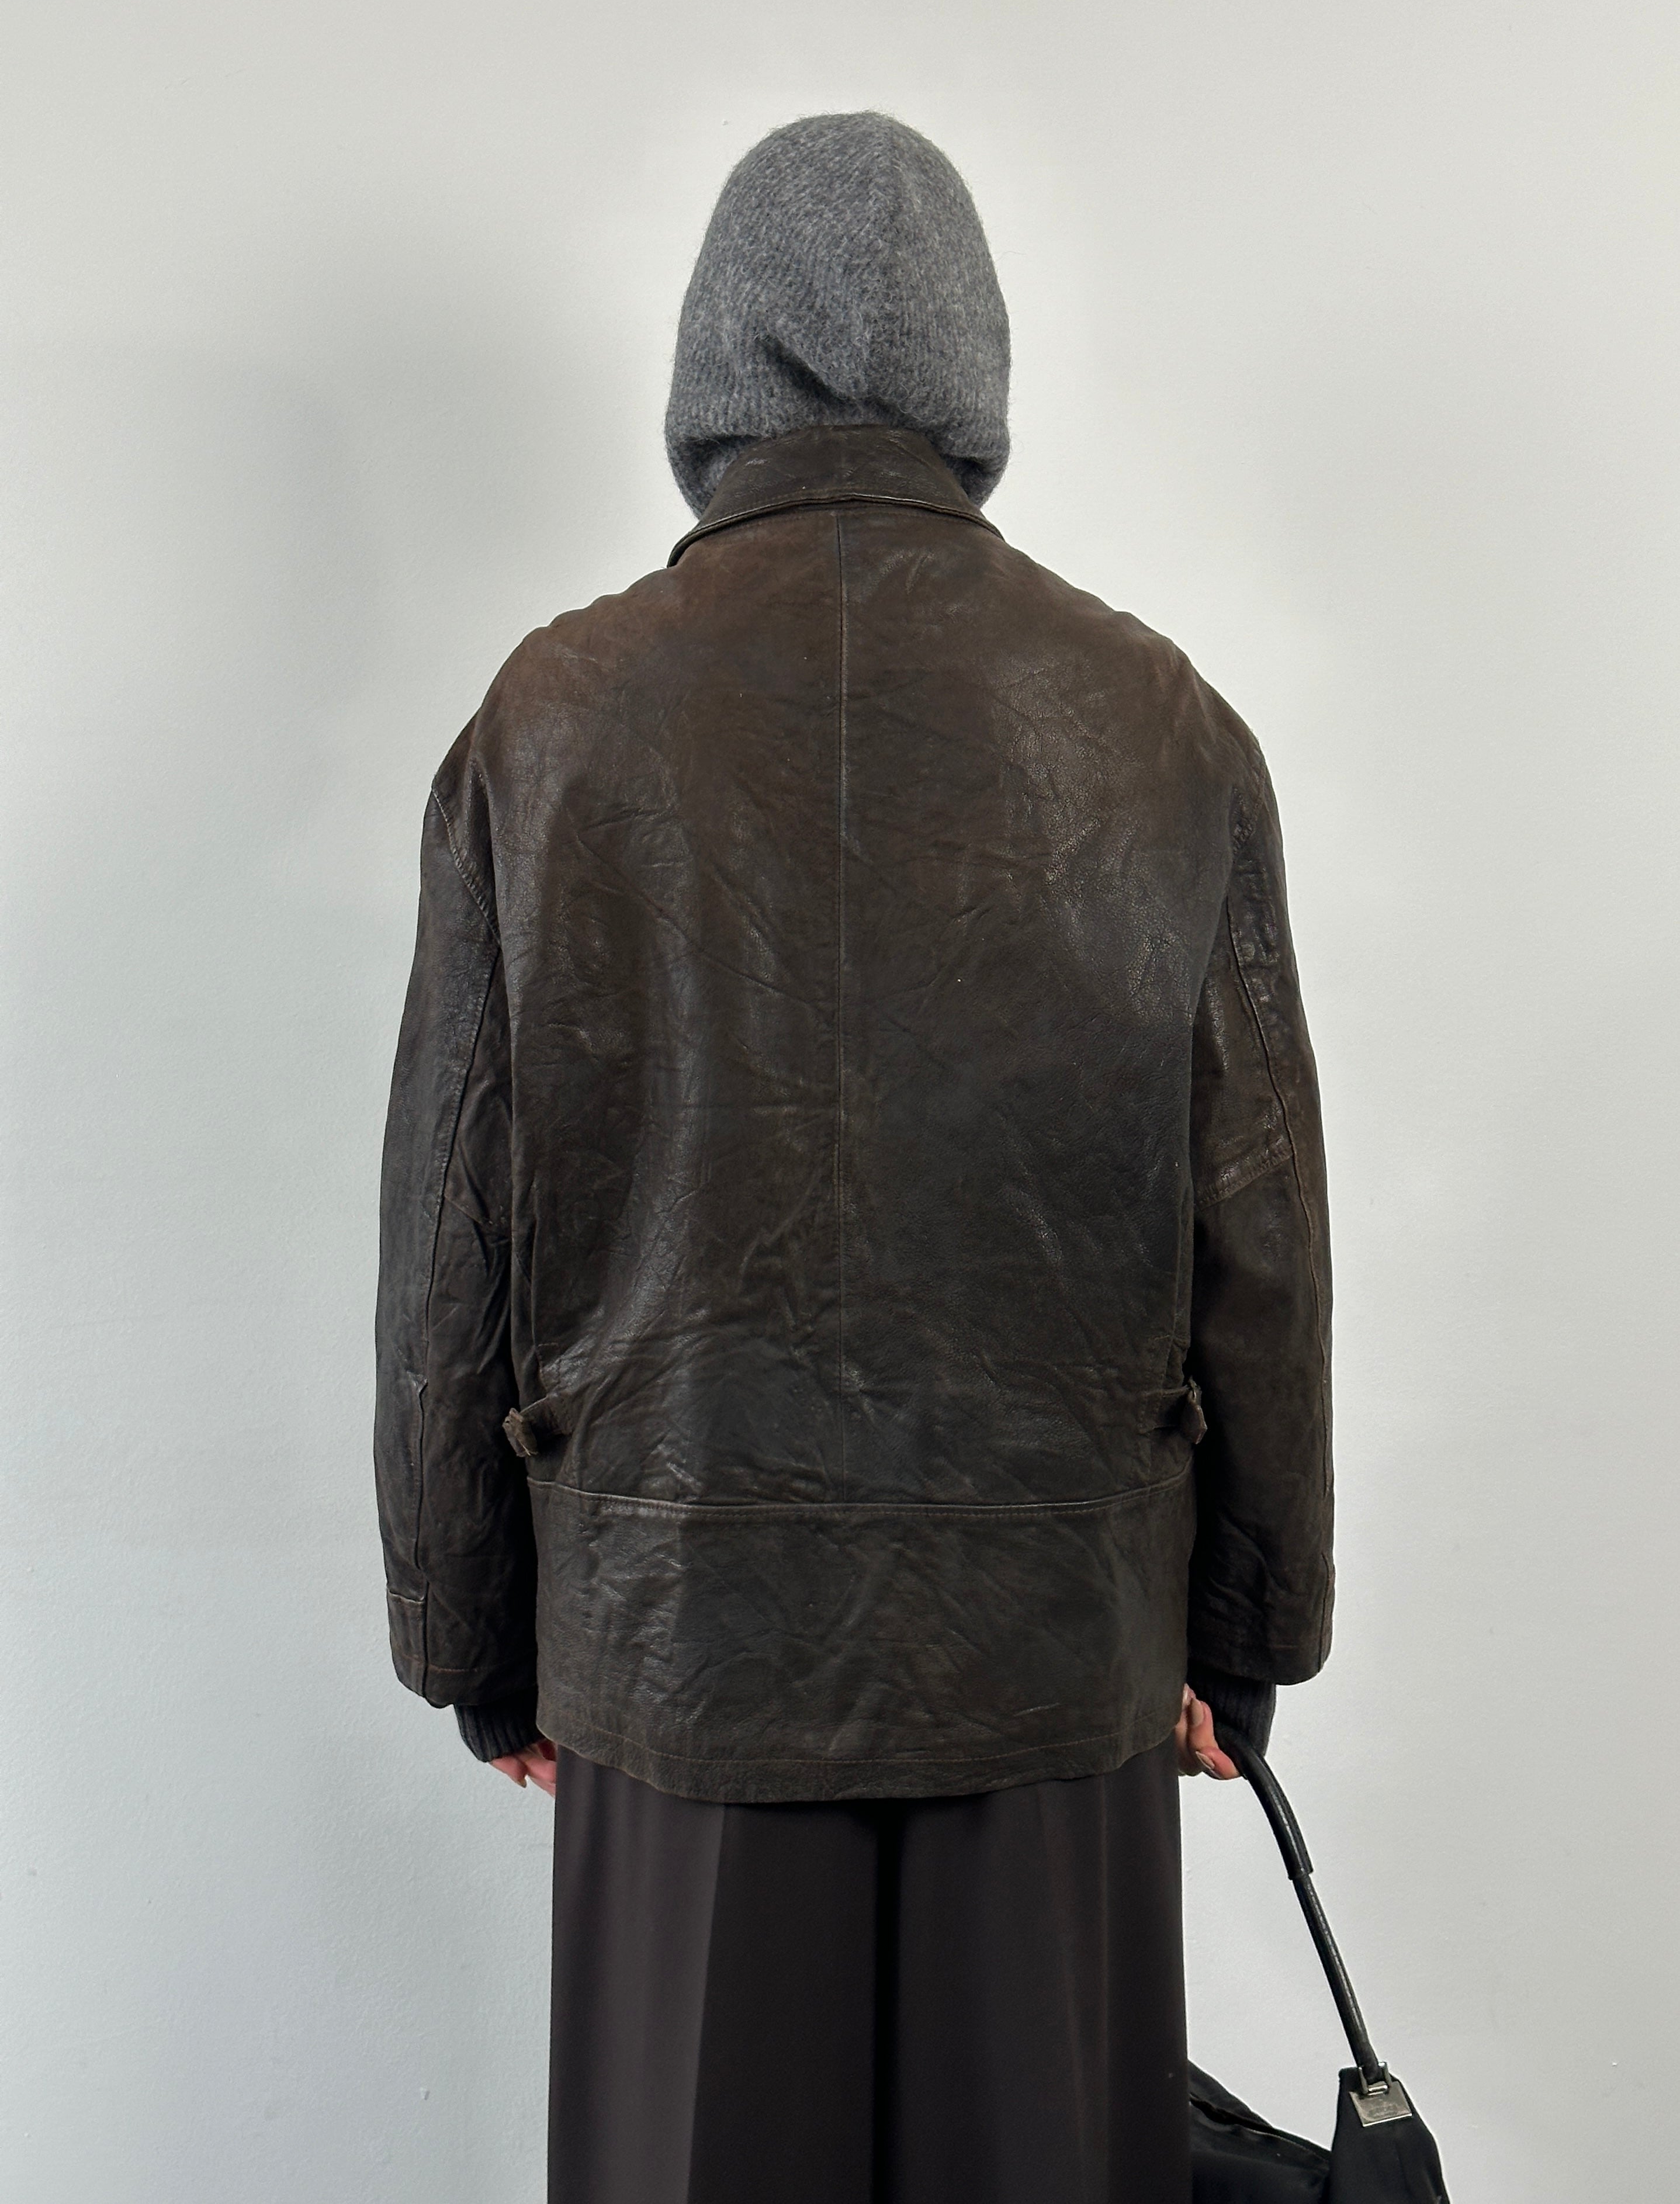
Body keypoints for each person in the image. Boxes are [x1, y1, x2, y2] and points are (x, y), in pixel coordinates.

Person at [373, 110, 1332, 2204]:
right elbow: (1255, 1222)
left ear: (710, 365)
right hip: (1058, 1646)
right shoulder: (1159, 724)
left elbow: (454, 1220)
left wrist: (479, 1638)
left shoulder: (551, 720)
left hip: (679, 1646)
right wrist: (1237, 1632)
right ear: (975, 373)